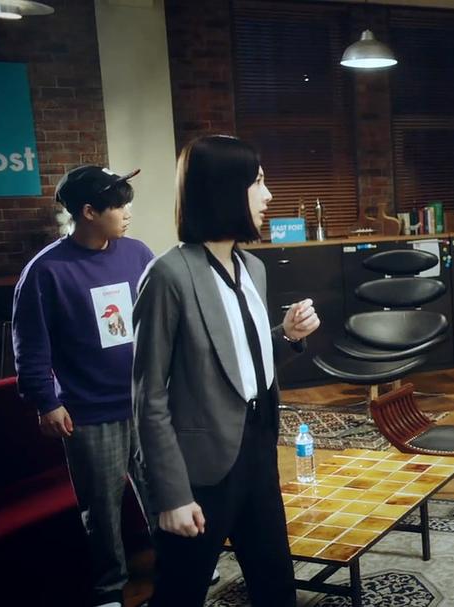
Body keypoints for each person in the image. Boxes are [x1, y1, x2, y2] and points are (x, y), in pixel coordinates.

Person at [133, 134, 320, 606]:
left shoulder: (252, 267)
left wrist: (288, 336)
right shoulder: (169, 275)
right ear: (223, 189)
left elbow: (240, 362)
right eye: (258, 182)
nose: (268, 195)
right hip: (201, 469)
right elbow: (148, 395)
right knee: (179, 592)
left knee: (276, 583)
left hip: (258, 449)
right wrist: (172, 495)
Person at [12, 165, 154, 607]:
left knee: (164, 487)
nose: (127, 213)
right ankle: (110, 588)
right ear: (89, 212)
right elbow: (30, 344)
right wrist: (45, 401)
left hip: (145, 400)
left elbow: (159, 319)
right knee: (102, 507)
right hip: (89, 410)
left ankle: (184, 558)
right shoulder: (46, 270)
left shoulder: (138, 253)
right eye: (118, 206)